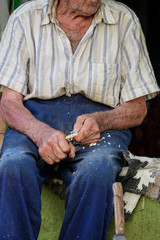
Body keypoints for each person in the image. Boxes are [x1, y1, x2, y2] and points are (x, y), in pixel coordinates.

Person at [0, 0, 159, 239]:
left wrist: (102, 121)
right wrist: (40, 133)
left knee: (95, 173)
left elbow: (138, 108)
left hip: (101, 125)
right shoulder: (25, 18)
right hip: (34, 119)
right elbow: (9, 102)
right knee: (13, 165)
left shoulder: (124, 20)